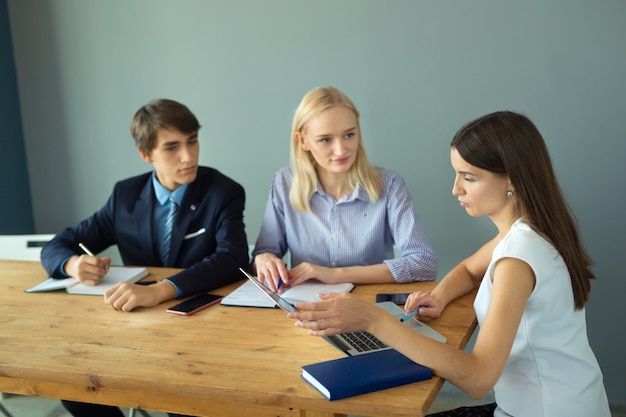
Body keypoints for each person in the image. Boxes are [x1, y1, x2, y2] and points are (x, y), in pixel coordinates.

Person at [288, 111, 611, 417]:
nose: (456, 188)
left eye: (469, 177)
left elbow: (478, 379)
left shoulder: (517, 259)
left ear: (511, 180)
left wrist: (374, 321)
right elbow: (470, 270)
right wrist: (439, 296)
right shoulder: (530, 229)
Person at [40, 98, 249, 417]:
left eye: (192, 141)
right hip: (133, 331)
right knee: (73, 386)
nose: (188, 156)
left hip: (198, 334)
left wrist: (159, 290)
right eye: (172, 147)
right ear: (146, 153)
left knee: (181, 404)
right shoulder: (125, 196)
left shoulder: (222, 192)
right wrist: (73, 264)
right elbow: (59, 243)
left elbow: (233, 257)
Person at [252, 86, 437, 292]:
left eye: (349, 135)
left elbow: (424, 263)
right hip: (303, 307)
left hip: (369, 307)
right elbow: (266, 252)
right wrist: (264, 259)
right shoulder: (284, 183)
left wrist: (335, 275)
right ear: (302, 141)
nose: (341, 150)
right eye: (325, 139)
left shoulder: (390, 186)